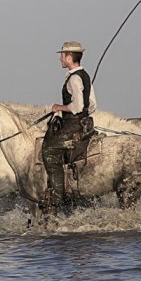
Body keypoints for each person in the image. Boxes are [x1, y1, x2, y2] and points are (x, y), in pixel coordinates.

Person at [41, 41, 97, 214]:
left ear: (69, 57)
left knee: (49, 149)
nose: (60, 59)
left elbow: (78, 106)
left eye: (62, 55)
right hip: (83, 124)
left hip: (73, 128)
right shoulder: (84, 75)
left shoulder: (74, 78)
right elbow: (92, 105)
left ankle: (57, 196)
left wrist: (60, 108)